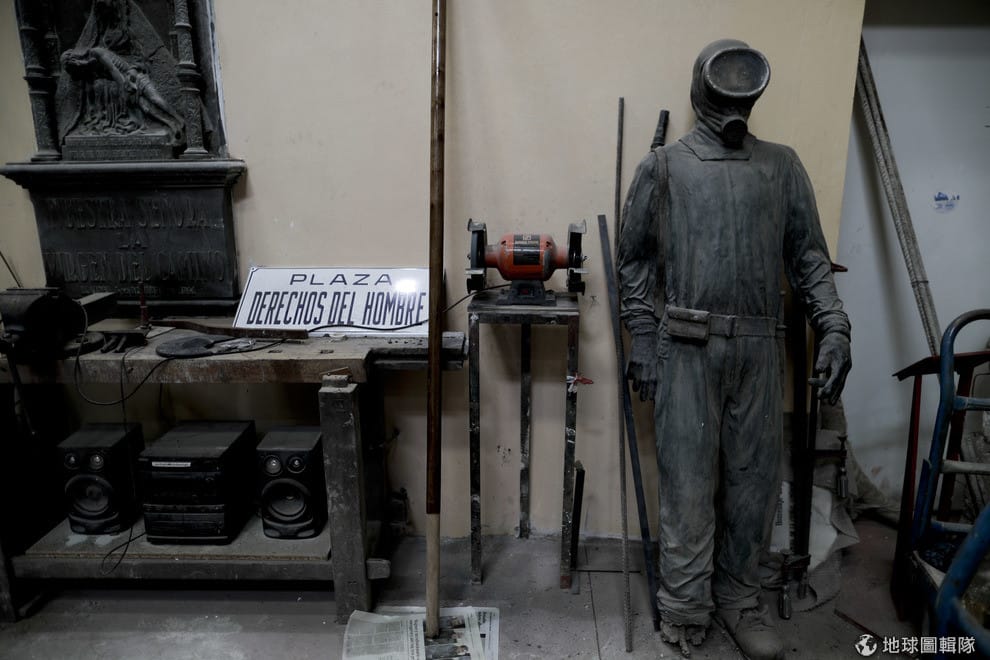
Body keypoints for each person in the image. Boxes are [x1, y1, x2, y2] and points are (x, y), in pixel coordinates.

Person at [617, 39, 851, 659]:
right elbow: (634, 262)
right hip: (686, 347)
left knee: (752, 487)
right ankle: (684, 605)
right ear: (703, 87)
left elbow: (809, 258)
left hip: (759, 348)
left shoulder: (781, 166)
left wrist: (835, 327)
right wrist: (643, 335)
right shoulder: (664, 168)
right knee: (689, 485)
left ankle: (739, 598)